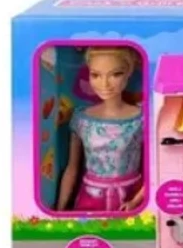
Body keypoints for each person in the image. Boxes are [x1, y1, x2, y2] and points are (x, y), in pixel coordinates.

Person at [57, 46, 144, 212]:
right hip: (90, 198)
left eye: (115, 74)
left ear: (128, 73)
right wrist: (58, 211)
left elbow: (156, 168)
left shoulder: (141, 119)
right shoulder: (81, 119)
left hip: (129, 197)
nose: (104, 84)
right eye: (95, 75)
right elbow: (72, 168)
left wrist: (136, 201)